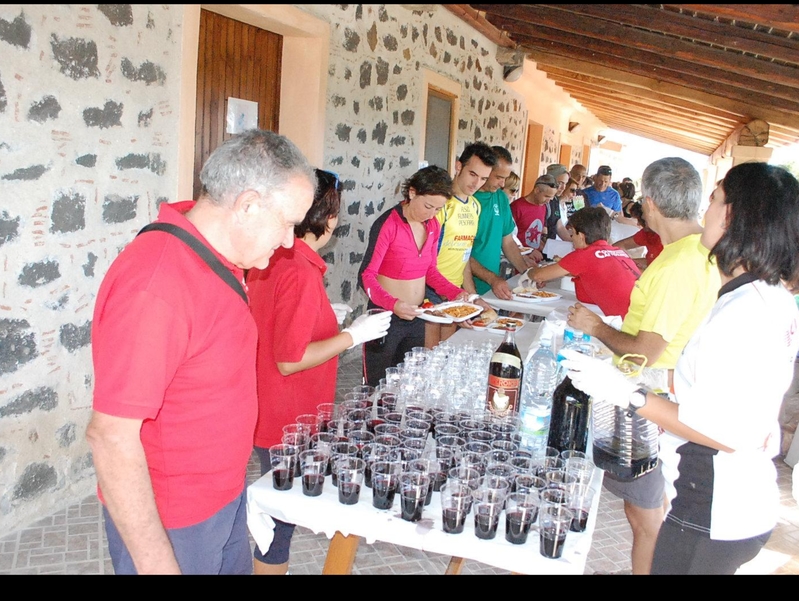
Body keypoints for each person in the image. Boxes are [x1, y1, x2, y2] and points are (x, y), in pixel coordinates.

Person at [85, 129, 317, 575]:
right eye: (288, 223)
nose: (290, 242)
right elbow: (111, 438)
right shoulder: (158, 284)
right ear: (247, 205)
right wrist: (157, 564)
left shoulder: (219, 258)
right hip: (176, 518)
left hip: (223, 497)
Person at [563, 162, 799, 574]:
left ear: (734, 217)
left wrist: (629, 393)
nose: (704, 212)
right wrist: (647, 378)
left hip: (716, 507)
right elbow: (714, 380)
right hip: (736, 500)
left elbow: (725, 432)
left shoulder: (747, 311)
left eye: (715, 200)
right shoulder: (761, 294)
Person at [566, 156, 721, 575]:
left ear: (649, 204)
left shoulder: (677, 265)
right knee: (648, 508)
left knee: (646, 514)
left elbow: (646, 351)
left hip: (649, 399)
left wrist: (597, 327)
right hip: (663, 392)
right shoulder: (696, 253)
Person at [246, 169, 391, 575]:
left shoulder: (276, 256)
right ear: (328, 218)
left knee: (281, 510)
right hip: (286, 414)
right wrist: (351, 336)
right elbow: (289, 358)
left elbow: (277, 322)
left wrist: (328, 321)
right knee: (279, 522)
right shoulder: (299, 270)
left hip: (269, 403)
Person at [358, 166, 475, 385]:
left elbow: (430, 272)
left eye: (438, 209)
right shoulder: (388, 224)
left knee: (408, 381)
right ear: (412, 193)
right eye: (428, 206)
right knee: (377, 385)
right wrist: (393, 305)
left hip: (417, 316)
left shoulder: (432, 225)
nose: (431, 214)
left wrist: (457, 293)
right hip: (385, 317)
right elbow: (366, 276)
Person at [427, 142, 495, 345]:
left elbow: (464, 256)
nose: (477, 184)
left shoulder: (475, 206)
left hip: (455, 293)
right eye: (473, 174)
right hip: (430, 292)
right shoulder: (441, 204)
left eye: (483, 178)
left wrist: (472, 298)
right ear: (459, 167)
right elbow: (422, 258)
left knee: (447, 353)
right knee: (429, 357)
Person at [522, 206, 640, 318]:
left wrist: (528, 271)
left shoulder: (584, 255)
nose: (571, 238)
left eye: (572, 234)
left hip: (624, 323)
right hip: (640, 314)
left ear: (581, 236)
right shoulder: (618, 252)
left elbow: (539, 275)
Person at [469, 146, 535, 301]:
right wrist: (492, 278)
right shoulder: (468, 199)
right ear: (486, 171)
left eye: (505, 178)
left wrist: (527, 272)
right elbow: (460, 255)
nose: (503, 184)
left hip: (491, 288)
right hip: (467, 287)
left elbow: (508, 242)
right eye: (499, 177)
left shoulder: (501, 198)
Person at [510, 174, 558, 260]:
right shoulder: (517, 207)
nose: (548, 201)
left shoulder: (543, 207)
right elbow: (509, 238)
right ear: (537, 190)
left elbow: (536, 234)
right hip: (518, 259)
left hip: (535, 259)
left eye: (551, 198)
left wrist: (546, 248)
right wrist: (528, 252)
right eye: (546, 196)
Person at [615, 202, 664, 271]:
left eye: (640, 220)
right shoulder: (646, 233)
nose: (638, 224)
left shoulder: (665, 237)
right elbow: (621, 245)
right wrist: (626, 262)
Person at [544, 164, 574, 242]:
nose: (563, 188)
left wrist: (572, 242)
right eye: (560, 183)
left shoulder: (555, 200)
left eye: (565, 184)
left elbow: (559, 226)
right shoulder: (542, 201)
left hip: (551, 245)